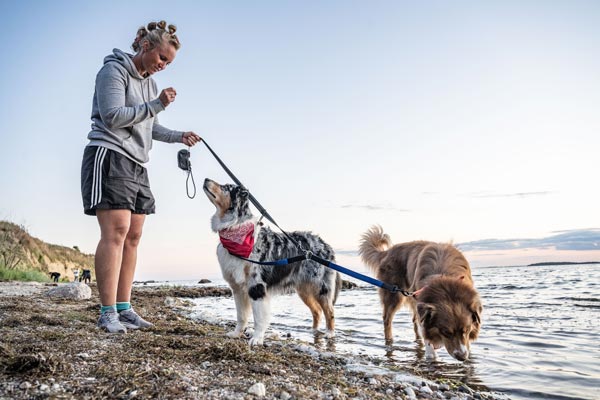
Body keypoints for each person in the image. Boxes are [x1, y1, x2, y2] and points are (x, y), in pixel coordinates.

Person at [81, 20, 201, 333]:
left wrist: (179, 135)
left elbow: (149, 125)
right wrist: (157, 104)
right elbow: (113, 116)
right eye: (162, 58)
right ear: (145, 46)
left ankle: (124, 308)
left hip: (137, 163)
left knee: (134, 236)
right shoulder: (114, 71)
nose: (164, 66)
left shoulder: (149, 83)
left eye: (169, 63)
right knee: (116, 232)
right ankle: (107, 312)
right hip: (109, 154)